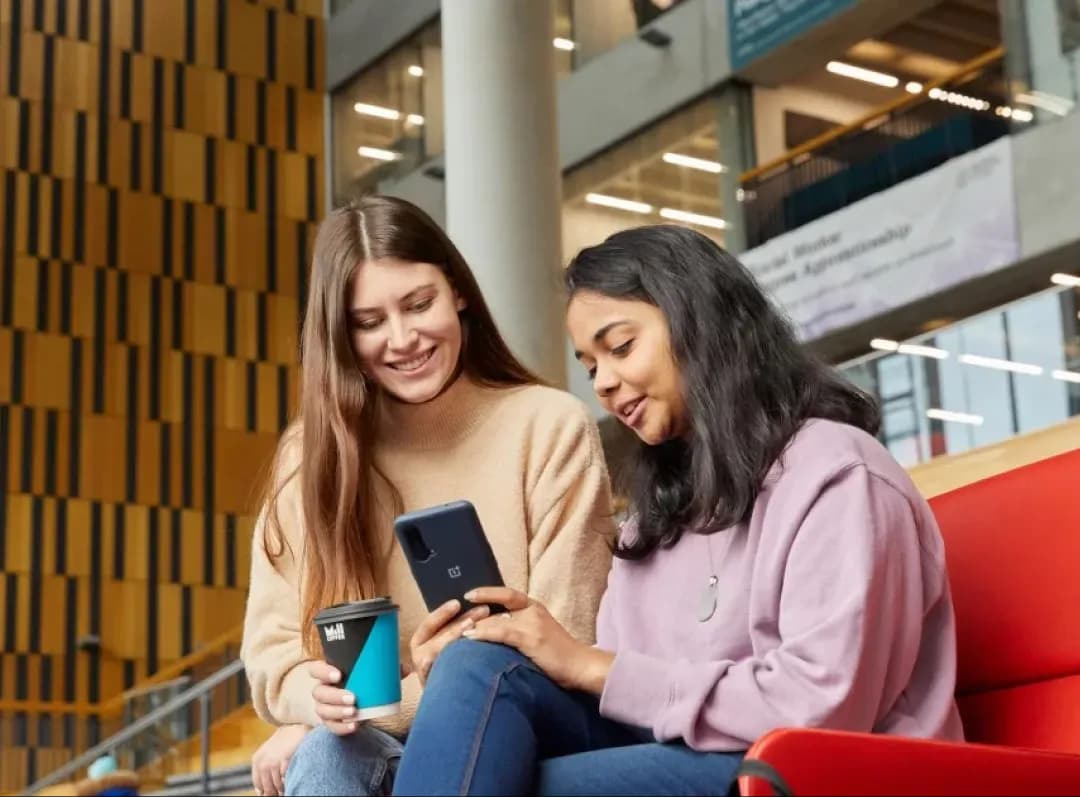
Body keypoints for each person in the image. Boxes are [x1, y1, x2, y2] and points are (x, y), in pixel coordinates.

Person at [391, 225, 964, 796]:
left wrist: (592, 665)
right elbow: (629, 712)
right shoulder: (653, 522)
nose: (606, 384)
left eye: (620, 348)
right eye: (591, 368)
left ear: (699, 321)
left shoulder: (839, 474)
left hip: (823, 773)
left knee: (540, 786)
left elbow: (822, 706)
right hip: (683, 759)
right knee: (475, 664)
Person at [239, 196, 615, 796]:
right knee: (328, 755)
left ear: (458, 293)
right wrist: (317, 706)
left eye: (419, 304)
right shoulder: (312, 456)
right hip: (377, 748)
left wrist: (363, 713)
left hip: (516, 724)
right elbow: (273, 647)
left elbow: (566, 636)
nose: (402, 338)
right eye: (369, 323)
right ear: (341, 335)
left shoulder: (547, 426)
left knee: (327, 752)